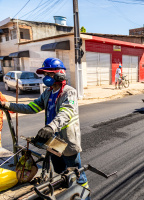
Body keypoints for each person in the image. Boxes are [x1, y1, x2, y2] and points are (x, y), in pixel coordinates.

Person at [0, 58, 89, 193]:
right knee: (60, 170)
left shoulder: (69, 92)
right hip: (54, 140)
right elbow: (32, 107)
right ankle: (68, 192)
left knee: (76, 172)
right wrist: (8, 105)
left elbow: (66, 113)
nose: (46, 77)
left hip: (68, 140)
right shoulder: (47, 92)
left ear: (59, 74)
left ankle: (84, 194)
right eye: (45, 74)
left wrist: (50, 127)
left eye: (49, 74)